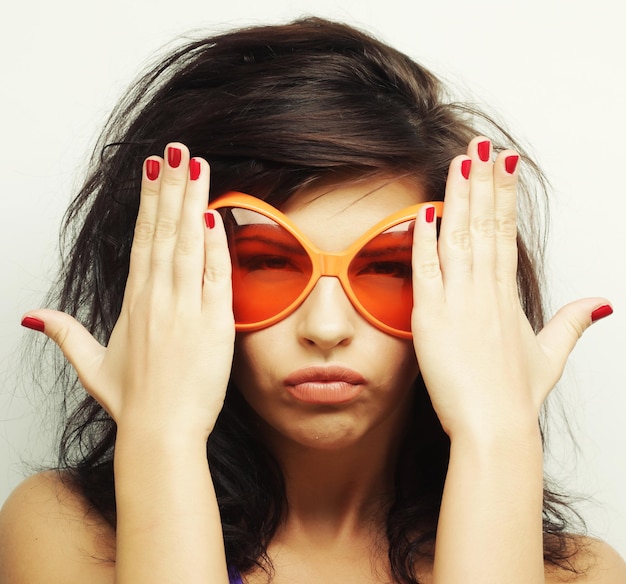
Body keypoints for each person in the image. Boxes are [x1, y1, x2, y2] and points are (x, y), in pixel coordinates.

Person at [0, 17, 624, 584]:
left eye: (388, 267)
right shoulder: (69, 538)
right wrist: (161, 439)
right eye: (268, 264)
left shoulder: (580, 575)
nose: (326, 328)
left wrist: (497, 434)